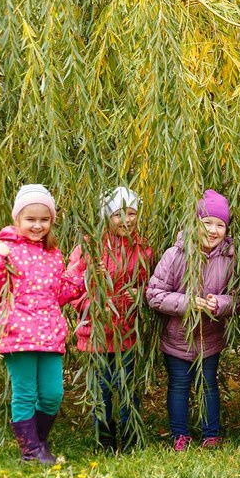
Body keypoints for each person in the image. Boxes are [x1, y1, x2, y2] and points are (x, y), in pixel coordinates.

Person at [0, 185, 85, 463]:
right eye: (30, 219)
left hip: (49, 333)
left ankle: (39, 443)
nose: (37, 225)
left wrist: (84, 276)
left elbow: (59, 294)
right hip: (17, 333)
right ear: (17, 218)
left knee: (52, 394)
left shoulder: (53, 253)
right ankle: (31, 451)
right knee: (25, 393)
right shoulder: (5, 249)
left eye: (44, 219)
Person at [146, 189, 237, 451]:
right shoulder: (175, 255)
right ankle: (179, 434)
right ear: (195, 223)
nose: (213, 230)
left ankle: (211, 434)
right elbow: (154, 295)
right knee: (179, 385)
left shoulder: (230, 258)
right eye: (207, 222)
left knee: (208, 384)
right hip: (177, 338)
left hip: (210, 338)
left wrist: (219, 304)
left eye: (219, 225)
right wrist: (188, 303)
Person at [69, 186, 154, 453]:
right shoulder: (89, 247)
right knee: (101, 388)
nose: (126, 220)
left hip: (127, 331)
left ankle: (131, 435)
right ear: (107, 216)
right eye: (118, 214)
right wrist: (94, 303)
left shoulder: (143, 249)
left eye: (132, 213)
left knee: (128, 385)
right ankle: (104, 437)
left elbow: (150, 286)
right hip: (95, 333)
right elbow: (71, 288)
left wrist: (138, 296)